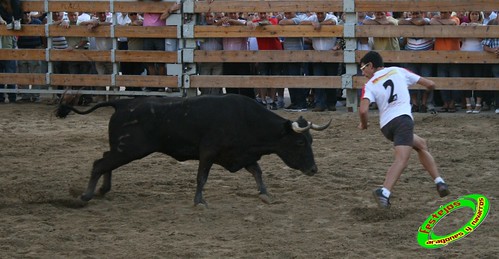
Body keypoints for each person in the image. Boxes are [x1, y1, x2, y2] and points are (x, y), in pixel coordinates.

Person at [357, 51, 450, 208]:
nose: (363, 72)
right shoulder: (398, 71)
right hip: (403, 121)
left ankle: (439, 182)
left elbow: (363, 111)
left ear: (371, 66)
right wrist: (427, 93)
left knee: (420, 144)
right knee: (402, 159)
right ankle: (385, 192)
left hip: (386, 126)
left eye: (363, 68)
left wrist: (364, 125)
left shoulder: (369, 85)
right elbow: (430, 84)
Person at [300, 11, 339, 112]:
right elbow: (302, 22)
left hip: (330, 53)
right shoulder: (313, 18)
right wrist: (312, 23)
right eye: (318, 14)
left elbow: (332, 22)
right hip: (317, 54)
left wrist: (319, 24)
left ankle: (331, 103)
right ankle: (320, 104)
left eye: (321, 14)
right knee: (318, 80)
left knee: (331, 80)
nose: (320, 16)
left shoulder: (331, 17)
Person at [398, 11, 434, 113]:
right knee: (411, 80)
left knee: (425, 77)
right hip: (411, 55)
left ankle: (424, 103)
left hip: (426, 55)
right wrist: (412, 21)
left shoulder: (426, 20)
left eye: (417, 14)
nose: (415, 16)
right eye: (413, 14)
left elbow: (420, 22)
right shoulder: (408, 21)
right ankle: (415, 103)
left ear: (422, 14)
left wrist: (412, 22)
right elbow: (400, 22)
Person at [247, 12, 283, 110]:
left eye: (264, 13)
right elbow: (249, 23)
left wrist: (257, 24)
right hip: (263, 52)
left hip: (275, 52)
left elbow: (269, 23)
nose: (263, 15)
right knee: (262, 76)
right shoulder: (256, 21)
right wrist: (249, 21)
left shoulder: (273, 19)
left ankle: (272, 99)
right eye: (261, 13)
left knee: (274, 76)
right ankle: (263, 100)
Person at [218, 12, 254, 99]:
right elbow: (214, 25)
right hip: (227, 59)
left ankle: (247, 102)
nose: (233, 15)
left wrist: (233, 21)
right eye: (231, 14)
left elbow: (249, 25)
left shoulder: (242, 22)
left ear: (238, 14)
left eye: (235, 13)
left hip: (241, 59)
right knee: (230, 84)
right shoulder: (224, 24)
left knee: (244, 84)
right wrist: (222, 21)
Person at [430, 11, 461, 112]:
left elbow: (452, 23)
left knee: (454, 80)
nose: (443, 14)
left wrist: (440, 21)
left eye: (445, 13)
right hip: (440, 56)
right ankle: (445, 102)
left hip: (454, 55)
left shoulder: (455, 18)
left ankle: (452, 103)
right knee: (442, 80)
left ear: (449, 12)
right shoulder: (436, 19)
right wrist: (442, 22)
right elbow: (432, 22)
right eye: (442, 13)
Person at [279, 11, 308, 112]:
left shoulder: (299, 18)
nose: (286, 15)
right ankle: (295, 102)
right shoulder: (291, 20)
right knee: (290, 78)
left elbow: (284, 22)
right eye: (285, 13)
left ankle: (301, 103)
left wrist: (283, 20)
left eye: (288, 13)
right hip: (288, 53)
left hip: (296, 53)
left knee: (296, 78)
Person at [460, 11, 485, 114]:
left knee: (478, 79)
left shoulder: (483, 25)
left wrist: (475, 27)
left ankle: (478, 104)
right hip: (465, 53)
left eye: (476, 14)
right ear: (469, 15)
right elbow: (461, 39)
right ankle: (468, 104)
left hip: (479, 54)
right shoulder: (464, 25)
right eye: (472, 14)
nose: (474, 16)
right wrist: (463, 28)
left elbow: (481, 39)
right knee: (467, 79)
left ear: (479, 15)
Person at [16, 12, 43, 102]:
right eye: (24, 13)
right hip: (22, 50)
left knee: (36, 74)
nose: (26, 15)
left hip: (35, 49)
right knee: (23, 74)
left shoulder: (38, 22)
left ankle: (35, 95)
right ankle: (25, 96)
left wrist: (41, 47)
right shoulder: (18, 23)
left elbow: (42, 37)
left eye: (28, 13)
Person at [197, 12, 223, 95]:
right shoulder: (201, 27)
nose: (209, 18)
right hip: (205, 60)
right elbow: (200, 40)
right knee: (204, 84)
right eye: (207, 16)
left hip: (218, 59)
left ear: (214, 16)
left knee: (217, 83)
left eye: (211, 16)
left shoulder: (220, 26)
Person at [482, 18, 499, 114]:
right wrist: (494, 50)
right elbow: (485, 46)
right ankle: (498, 104)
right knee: (496, 82)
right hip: (495, 59)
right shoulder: (492, 28)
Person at [0, 34, 17, 103]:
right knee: (10, 75)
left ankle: (10, 97)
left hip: (8, 52)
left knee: (10, 76)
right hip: (9, 51)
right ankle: (11, 97)